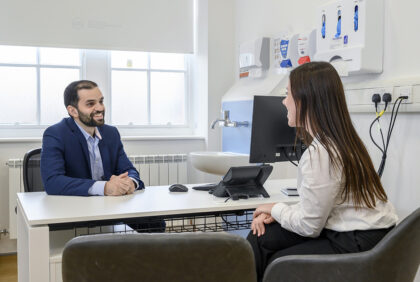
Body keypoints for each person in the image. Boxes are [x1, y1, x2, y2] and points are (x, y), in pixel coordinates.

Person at [247, 62, 398, 281]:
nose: (284, 101)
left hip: (357, 241)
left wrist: (276, 209)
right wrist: (276, 210)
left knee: (277, 262)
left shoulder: (321, 153)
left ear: (305, 99)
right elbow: (319, 206)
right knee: (263, 238)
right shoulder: (341, 140)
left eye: (288, 94)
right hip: (371, 234)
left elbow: (309, 226)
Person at [41, 80, 165, 231]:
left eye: (101, 101)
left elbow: (129, 170)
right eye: (90, 104)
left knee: (155, 223)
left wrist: (130, 182)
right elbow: (53, 182)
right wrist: (105, 187)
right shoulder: (56, 134)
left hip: (110, 207)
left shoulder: (111, 133)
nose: (100, 108)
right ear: (73, 111)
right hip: (77, 210)